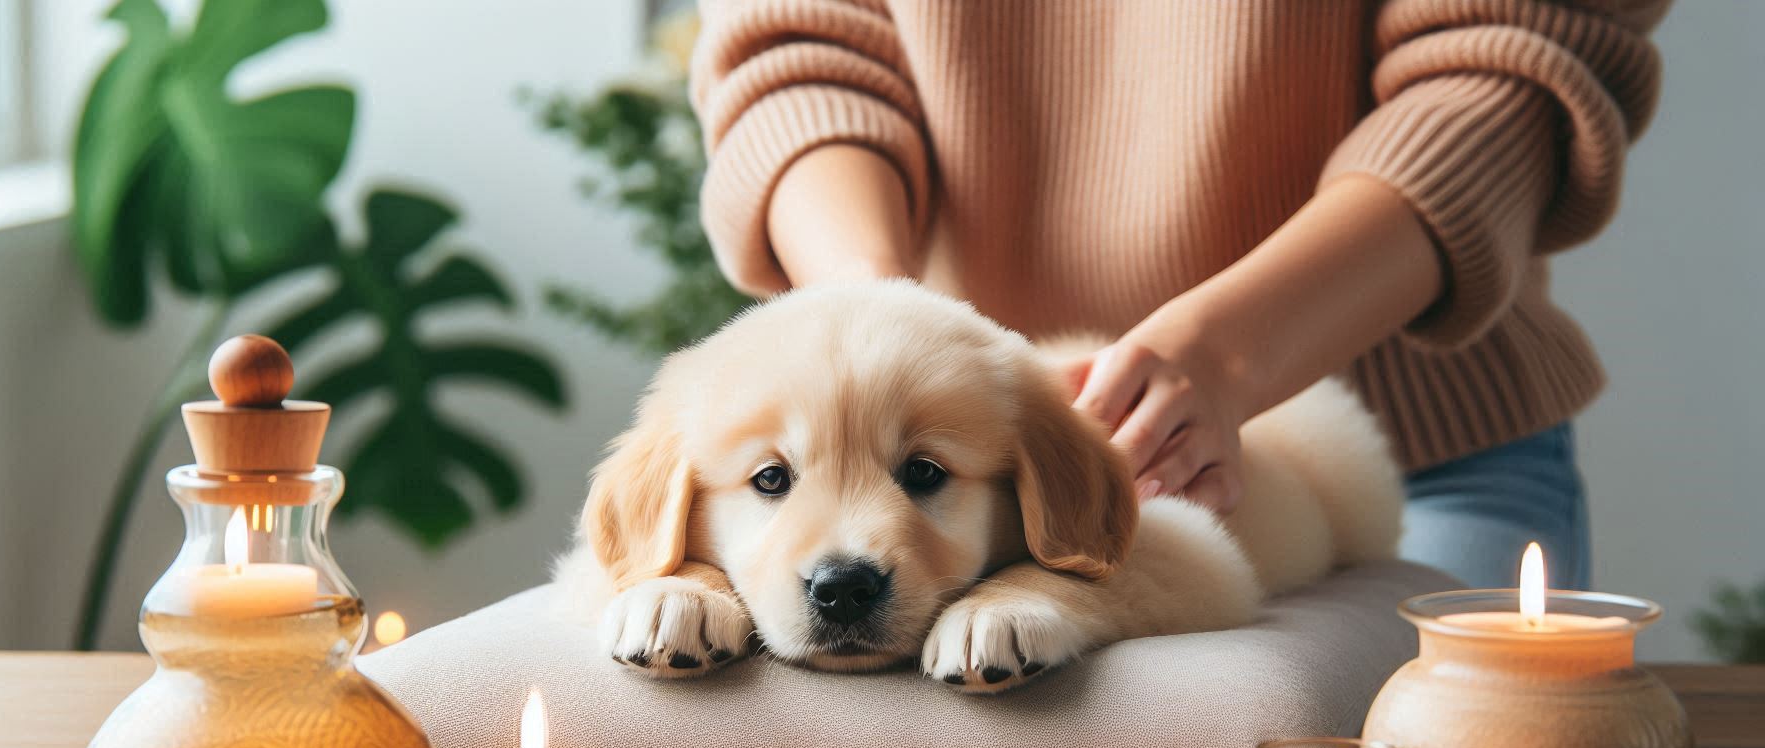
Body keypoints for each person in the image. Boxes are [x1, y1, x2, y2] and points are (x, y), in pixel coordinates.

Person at [688, 1, 1669, 589]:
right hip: (969, 484)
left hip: (1418, 457)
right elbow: (800, 51)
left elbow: (1505, 66)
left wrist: (1225, 356)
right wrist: (876, 322)